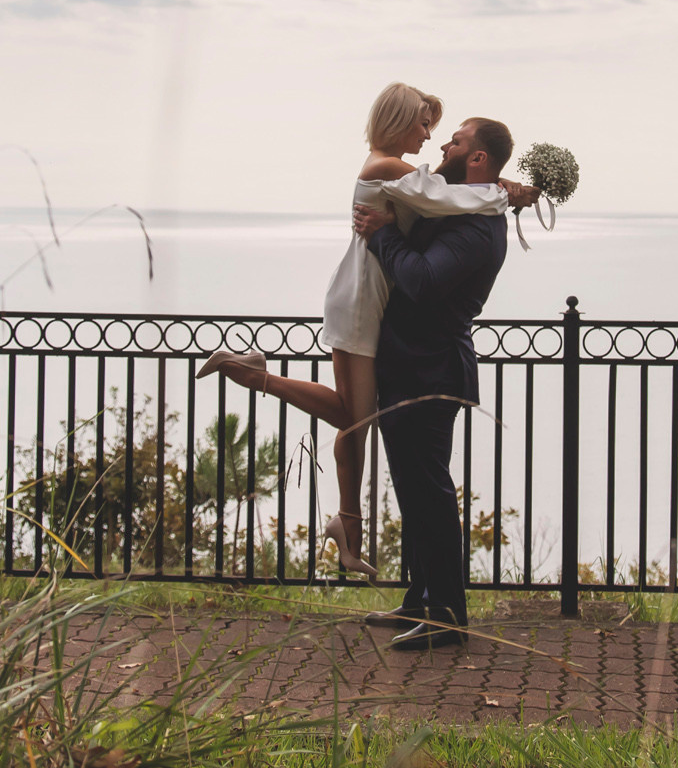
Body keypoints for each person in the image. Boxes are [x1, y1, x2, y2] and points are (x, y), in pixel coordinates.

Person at [199, 85, 531, 576]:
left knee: (357, 419)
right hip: (359, 298)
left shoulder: (395, 168)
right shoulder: (384, 167)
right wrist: (505, 191)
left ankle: (347, 524)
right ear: (398, 121)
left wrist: (504, 184)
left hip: (366, 296)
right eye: (423, 124)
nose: (429, 136)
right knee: (355, 418)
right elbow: (449, 198)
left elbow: (449, 188)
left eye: (437, 130)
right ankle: (254, 374)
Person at [353, 115, 515, 652]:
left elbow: (422, 282)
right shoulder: (466, 203)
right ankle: (420, 599)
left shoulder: (476, 227)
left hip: (430, 368)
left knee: (430, 494)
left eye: (458, 139)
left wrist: (383, 238)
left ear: (476, 159)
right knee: (414, 489)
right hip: (410, 365)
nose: (444, 143)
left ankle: (446, 616)